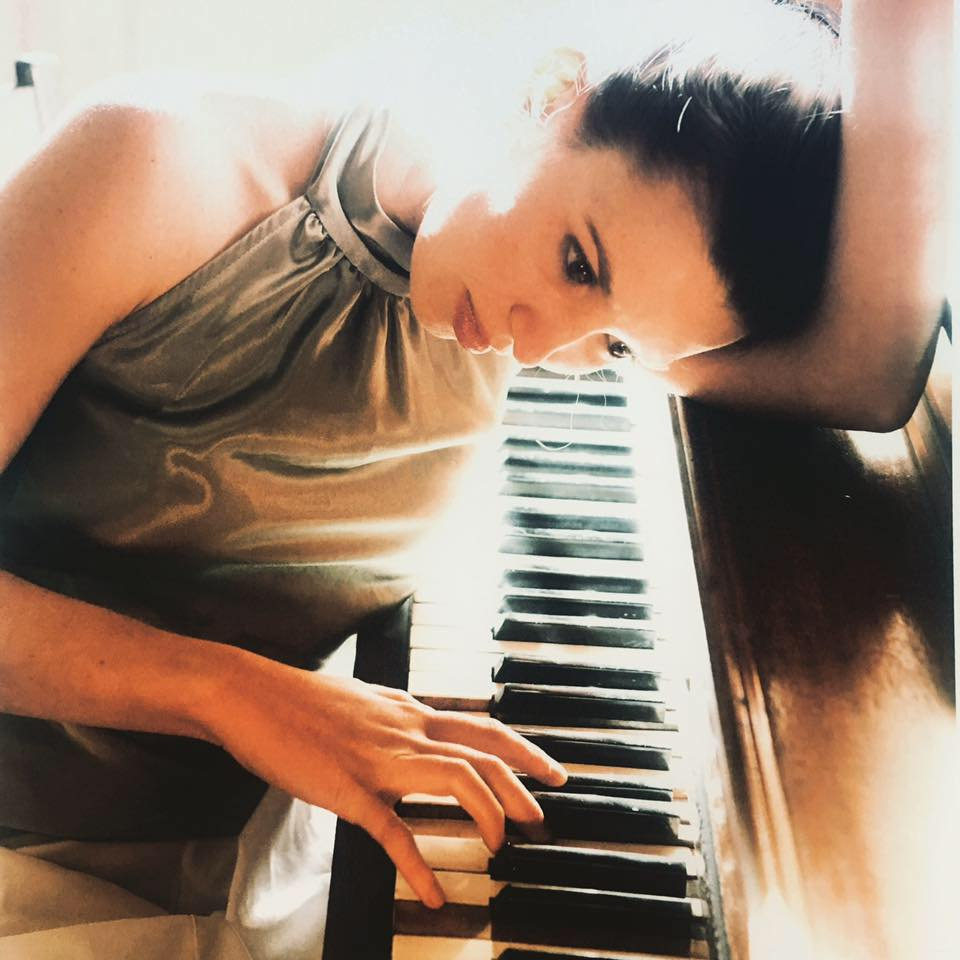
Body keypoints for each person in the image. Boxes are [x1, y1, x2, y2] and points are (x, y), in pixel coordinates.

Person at [0, 0, 950, 957]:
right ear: (550, 91)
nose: (540, 348)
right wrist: (228, 695)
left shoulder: (522, 308)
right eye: (579, 263)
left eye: (616, 346)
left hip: (248, 848)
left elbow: (864, 372)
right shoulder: (150, 162)